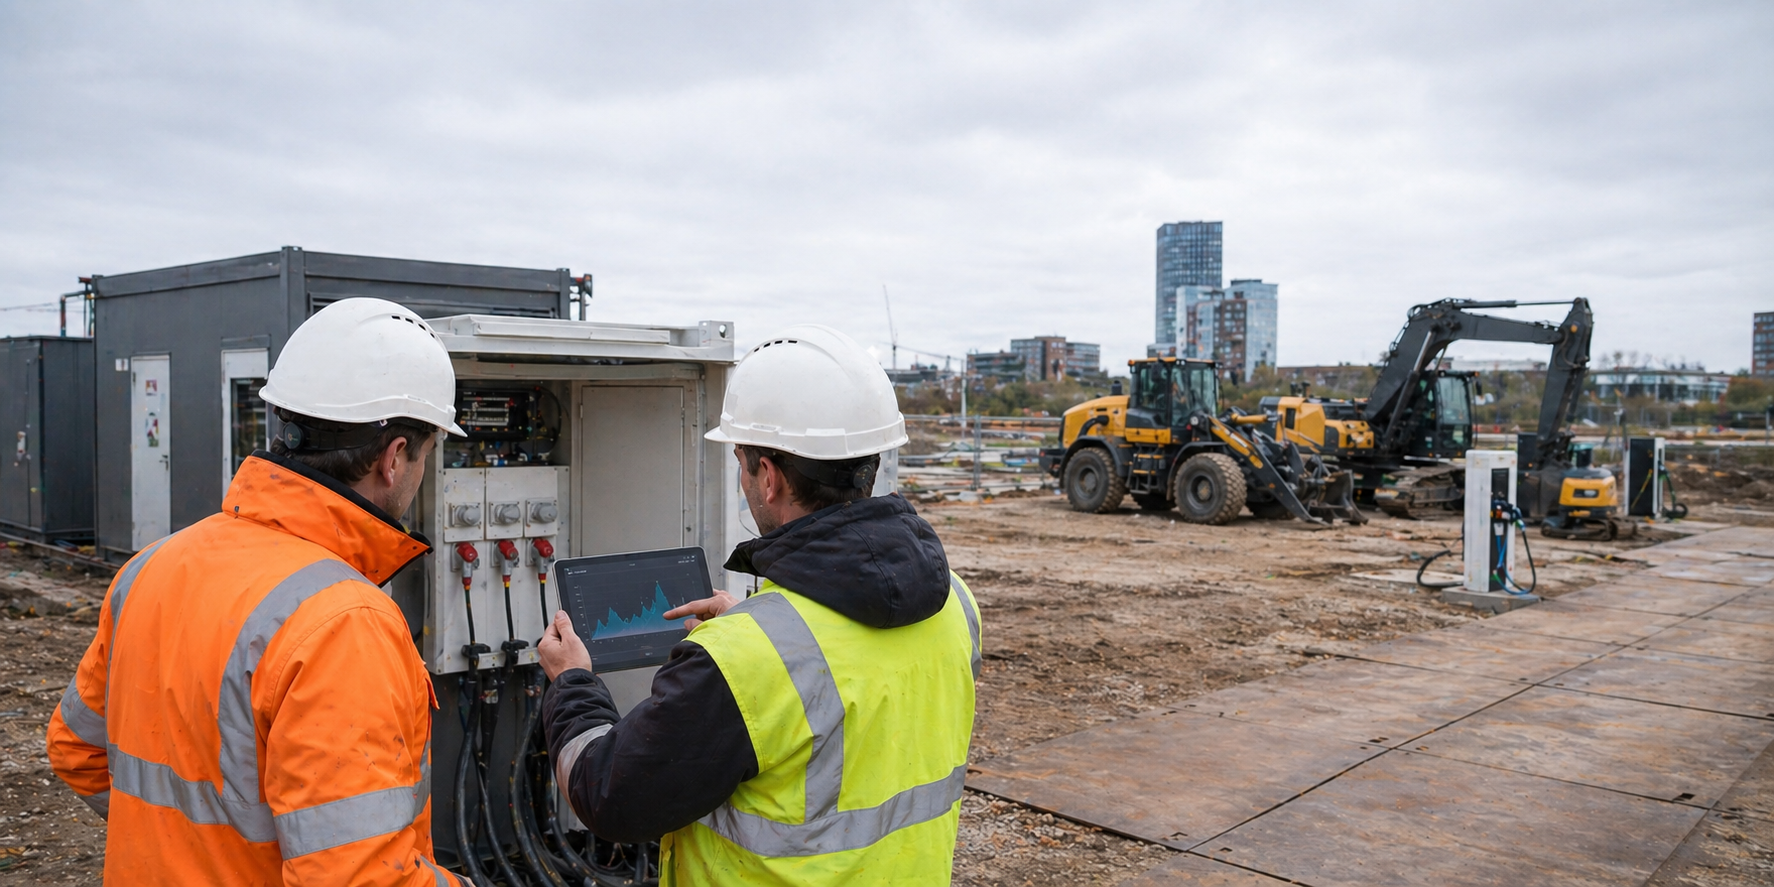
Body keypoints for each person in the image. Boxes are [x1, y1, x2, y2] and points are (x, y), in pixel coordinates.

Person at [537, 323, 982, 885]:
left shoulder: (745, 661)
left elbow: (609, 796)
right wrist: (754, 632)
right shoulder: (954, 602)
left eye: (741, 460)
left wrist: (572, 683)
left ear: (767, 477)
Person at [48, 298, 468, 886]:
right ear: (395, 458)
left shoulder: (152, 568)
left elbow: (76, 747)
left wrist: (184, 857)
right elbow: (357, 877)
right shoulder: (344, 623)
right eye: (427, 454)